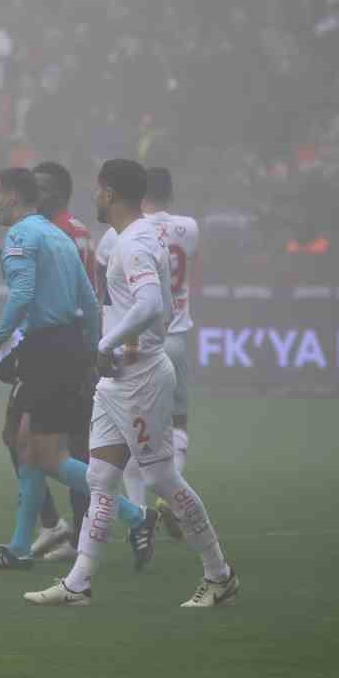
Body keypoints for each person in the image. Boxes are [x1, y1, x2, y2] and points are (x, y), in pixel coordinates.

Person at [25, 160, 237, 608]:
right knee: (101, 477)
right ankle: (78, 582)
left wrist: (108, 340)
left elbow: (149, 305)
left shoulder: (135, 242)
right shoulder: (126, 239)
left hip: (139, 374)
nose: (94, 197)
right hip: (117, 378)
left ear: (110, 193)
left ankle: (219, 574)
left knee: (161, 476)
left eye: (98, 190)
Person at [0, 167, 152, 570]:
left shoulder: (20, 235)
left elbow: (21, 294)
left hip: (46, 350)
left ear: (15, 198)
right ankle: (20, 547)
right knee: (26, 445)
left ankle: (136, 516)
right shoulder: (58, 235)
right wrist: (90, 351)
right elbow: (88, 301)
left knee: (49, 456)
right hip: (67, 347)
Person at [23, 161, 99, 562]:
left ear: (62, 194)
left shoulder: (62, 232)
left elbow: (73, 298)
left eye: (44, 188)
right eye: (32, 187)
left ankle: (73, 530)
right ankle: (68, 530)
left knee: (49, 443)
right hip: (62, 350)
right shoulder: (77, 231)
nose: (36, 195)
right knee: (54, 443)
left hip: (61, 352)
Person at [122, 166, 199, 527]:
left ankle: (139, 514)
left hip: (142, 343)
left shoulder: (128, 232)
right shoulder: (189, 228)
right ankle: (173, 501)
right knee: (177, 422)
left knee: (132, 427)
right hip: (178, 336)